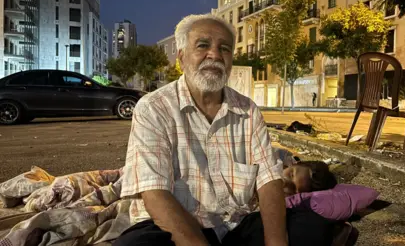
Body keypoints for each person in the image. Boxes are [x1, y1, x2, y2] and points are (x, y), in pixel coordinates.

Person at [114, 14, 334, 246]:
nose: (215, 55)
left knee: (313, 227)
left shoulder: (247, 110)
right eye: (203, 45)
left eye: (225, 49)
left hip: (235, 223)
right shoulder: (153, 107)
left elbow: (269, 181)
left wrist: (276, 242)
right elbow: (154, 193)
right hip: (175, 228)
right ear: (181, 58)